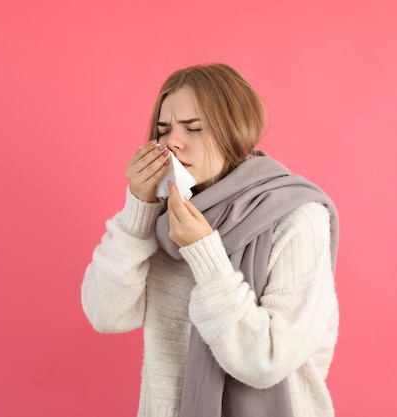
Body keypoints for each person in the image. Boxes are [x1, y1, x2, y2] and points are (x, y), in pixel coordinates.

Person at [81, 63, 340, 417]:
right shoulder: (166, 215)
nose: (172, 140)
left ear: (235, 134)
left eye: (194, 128)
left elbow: (266, 360)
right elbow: (106, 314)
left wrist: (203, 251)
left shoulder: (297, 218)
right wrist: (138, 208)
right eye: (163, 129)